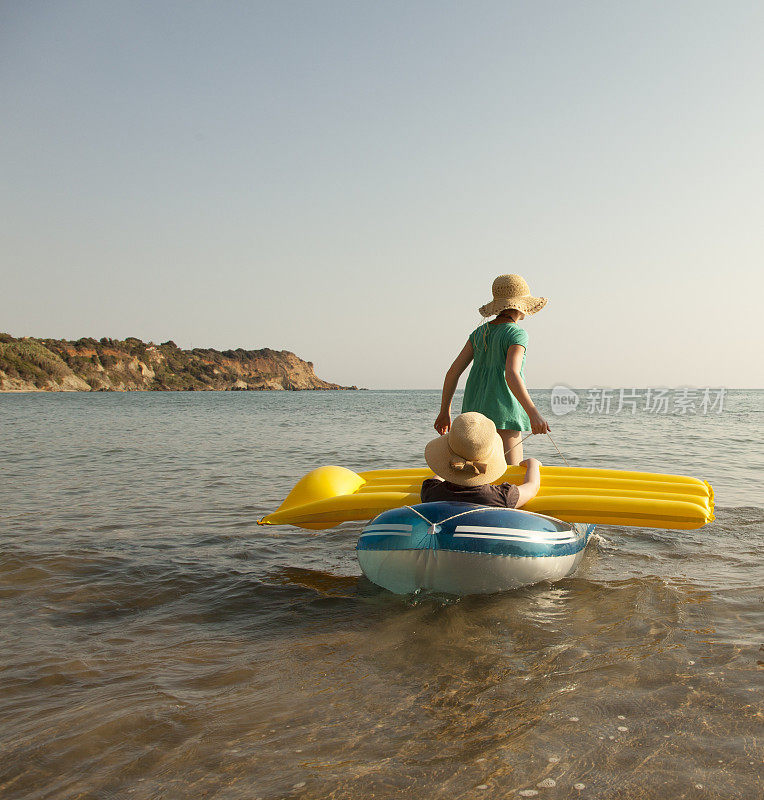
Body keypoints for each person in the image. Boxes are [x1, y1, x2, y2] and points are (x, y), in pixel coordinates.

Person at [434, 274, 551, 465]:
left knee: (474, 476)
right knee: (510, 475)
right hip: (504, 413)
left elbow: (452, 373)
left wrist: (444, 412)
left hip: (473, 419)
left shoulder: (479, 333)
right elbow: (511, 374)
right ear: (520, 305)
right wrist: (533, 413)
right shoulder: (517, 333)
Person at [421, 411, 541, 509]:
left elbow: (437, 477)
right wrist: (532, 464)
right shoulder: (501, 497)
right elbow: (532, 487)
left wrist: (445, 467)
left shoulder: (431, 493)